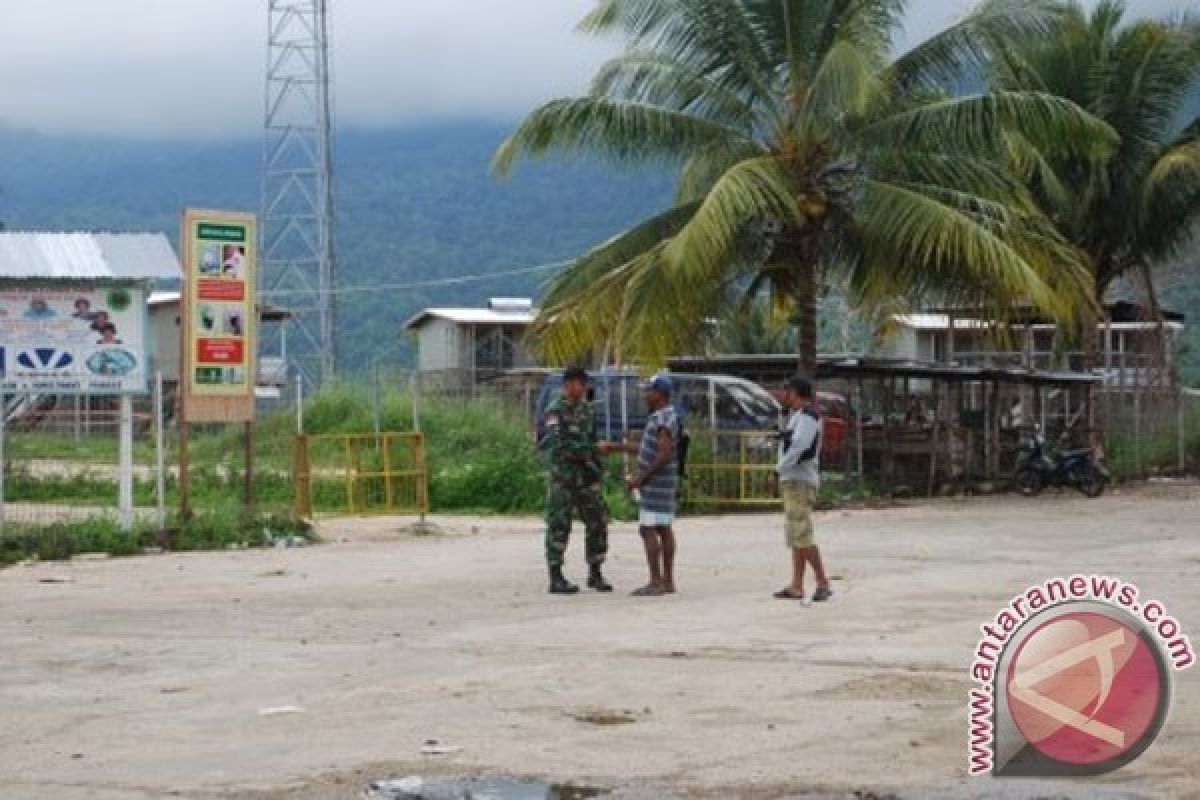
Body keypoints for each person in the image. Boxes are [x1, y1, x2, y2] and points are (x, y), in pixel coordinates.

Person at [539, 367, 616, 594]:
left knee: (598, 521)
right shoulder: (555, 411)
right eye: (578, 385)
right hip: (563, 477)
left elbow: (592, 438)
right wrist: (593, 448)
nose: (582, 390)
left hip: (587, 475)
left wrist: (598, 463)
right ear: (568, 385)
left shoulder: (587, 411)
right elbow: (559, 444)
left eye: (583, 385)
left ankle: (595, 571)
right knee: (559, 524)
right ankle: (556, 576)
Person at [614, 374, 681, 596]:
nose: (645, 395)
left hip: (656, 484)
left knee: (648, 529)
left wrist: (641, 478)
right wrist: (617, 448)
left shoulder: (663, 419)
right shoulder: (666, 416)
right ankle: (668, 580)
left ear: (660, 394)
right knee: (663, 528)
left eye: (649, 391)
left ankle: (656, 581)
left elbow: (663, 454)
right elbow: (647, 449)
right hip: (664, 483)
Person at [767, 376, 833, 603]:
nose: (784, 395)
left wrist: (776, 471)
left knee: (801, 534)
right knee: (796, 535)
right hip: (794, 480)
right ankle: (796, 584)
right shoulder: (798, 416)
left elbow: (798, 449)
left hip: (799, 481)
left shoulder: (808, 417)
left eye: (787, 391)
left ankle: (822, 582)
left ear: (795, 392)